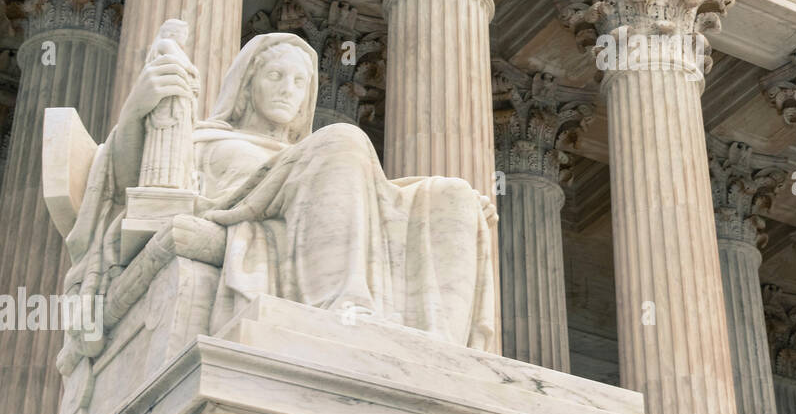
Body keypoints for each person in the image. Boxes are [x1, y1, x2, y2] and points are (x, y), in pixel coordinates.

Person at [61, 28, 495, 348]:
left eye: (299, 82)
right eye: (275, 76)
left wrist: (414, 196)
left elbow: (367, 193)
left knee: (451, 192)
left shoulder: (314, 157)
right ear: (248, 85)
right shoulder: (205, 139)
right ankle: (340, 313)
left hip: (298, 216)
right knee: (343, 138)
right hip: (236, 215)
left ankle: (441, 351)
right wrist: (140, 106)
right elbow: (128, 184)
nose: (289, 90)